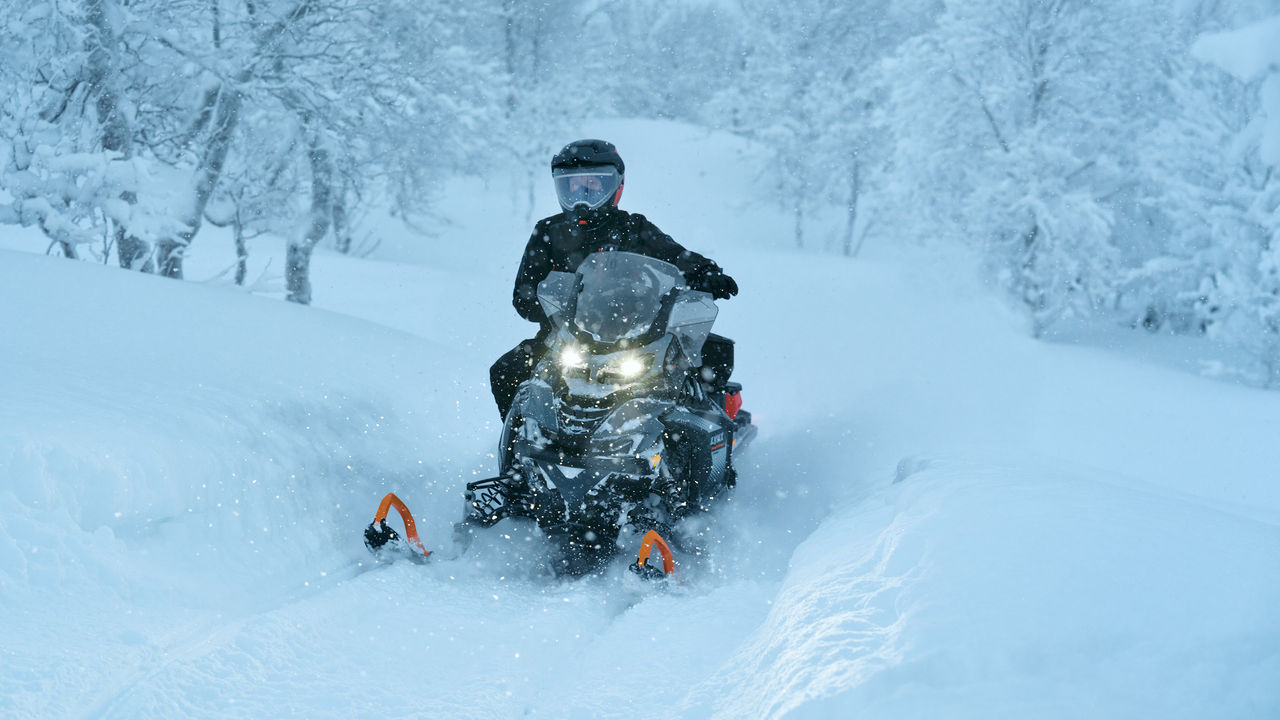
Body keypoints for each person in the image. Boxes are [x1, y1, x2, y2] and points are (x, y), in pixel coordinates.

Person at [489, 138, 738, 419]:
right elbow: (524, 296)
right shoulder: (548, 232)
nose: (581, 195)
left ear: (614, 186)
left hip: (634, 338)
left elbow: (676, 256)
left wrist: (706, 272)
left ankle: (705, 442)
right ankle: (524, 441)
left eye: (593, 184)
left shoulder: (633, 228)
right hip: (564, 340)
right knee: (506, 371)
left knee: (689, 374)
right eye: (572, 185)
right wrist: (551, 302)